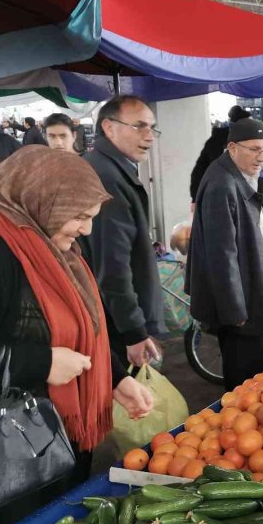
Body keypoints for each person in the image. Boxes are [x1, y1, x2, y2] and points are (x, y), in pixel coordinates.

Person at [0, 145, 153, 524]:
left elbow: (83, 328)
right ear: (40, 201)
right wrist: (41, 364)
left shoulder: (55, 247)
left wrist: (115, 378)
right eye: (79, 217)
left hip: (47, 443)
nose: (87, 230)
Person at [186, 118, 263, 390]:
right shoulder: (222, 184)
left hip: (249, 291)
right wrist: (235, 310)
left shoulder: (238, 174)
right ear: (233, 148)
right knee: (245, 376)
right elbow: (221, 256)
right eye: (255, 150)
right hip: (240, 307)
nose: (261, 157)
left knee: (250, 367)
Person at [79, 95, 165, 368]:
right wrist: (134, 331)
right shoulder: (106, 177)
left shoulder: (109, 167)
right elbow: (113, 266)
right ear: (108, 127)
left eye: (152, 127)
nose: (149, 136)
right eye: (139, 126)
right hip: (113, 323)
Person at [189, 105, 251, 205]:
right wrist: (195, 199)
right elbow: (199, 171)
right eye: (248, 124)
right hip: (218, 197)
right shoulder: (218, 143)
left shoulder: (242, 141)